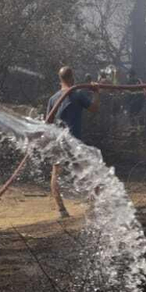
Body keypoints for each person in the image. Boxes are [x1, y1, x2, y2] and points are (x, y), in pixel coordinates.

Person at [45, 66, 98, 219]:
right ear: (72, 78)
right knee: (88, 172)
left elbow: (47, 122)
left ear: (60, 79)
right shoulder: (77, 95)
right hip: (74, 142)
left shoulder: (53, 99)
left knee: (56, 174)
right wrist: (96, 93)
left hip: (58, 141)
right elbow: (94, 108)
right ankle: (94, 206)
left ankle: (61, 210)